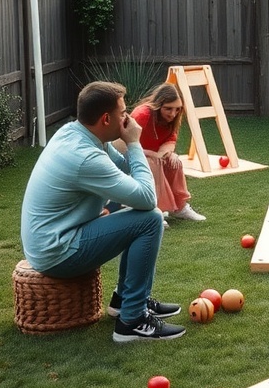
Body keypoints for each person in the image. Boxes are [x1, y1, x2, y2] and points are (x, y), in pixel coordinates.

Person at [21, 81, 186, 343]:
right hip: (57, 251)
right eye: (123, 113)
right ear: (106, 118)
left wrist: (132, 151)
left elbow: (126, 172)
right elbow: (146, 197)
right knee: (150, 219)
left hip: (54, 237)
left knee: (136, 209)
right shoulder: (84, 156)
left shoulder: (77, 133)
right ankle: (131, 321)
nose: (128, 118)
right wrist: (133, 143)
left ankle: (126, 300)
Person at [129, 83, 205, 225]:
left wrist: (168, 153)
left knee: (175, 163)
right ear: (158, 105)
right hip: (132, 155)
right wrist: (151, 153)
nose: (173, 114)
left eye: (177, 109)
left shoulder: (174, 117)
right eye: (168, 109)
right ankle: (155, 209)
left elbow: (171, 139)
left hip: (153, 155)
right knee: (154, 163)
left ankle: (180, 207)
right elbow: (126, 143)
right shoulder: (142, 114)